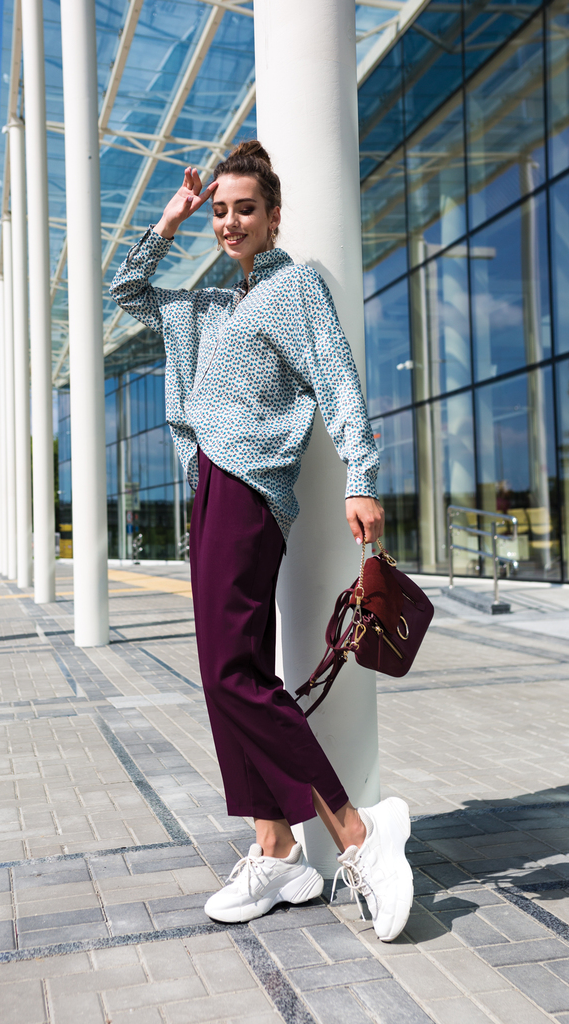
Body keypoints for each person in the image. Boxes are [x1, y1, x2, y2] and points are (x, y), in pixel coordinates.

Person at [110, 141, 413, 942]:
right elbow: (126, 289)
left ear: (274, 216)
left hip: (250, 489)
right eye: (219, 211)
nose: (230, 222)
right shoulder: (208, 306)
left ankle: (357, 831)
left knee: (235, 675)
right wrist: (171, 218)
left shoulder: (294, 288)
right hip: (210, 485)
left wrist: (360, 477)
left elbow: (338, 378)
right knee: (224, 676)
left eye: (245, 209)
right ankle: (277, 850)